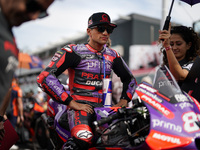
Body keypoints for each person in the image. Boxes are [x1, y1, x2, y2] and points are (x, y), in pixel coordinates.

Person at [37, 12, 137, 150]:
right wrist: (72, 103)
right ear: (89, 31)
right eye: (101, 28)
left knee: (132, 137)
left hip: (105, 109)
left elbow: (130, 79)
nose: (106, 33)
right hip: (80, 109)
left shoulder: (113, 55)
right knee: (83, 139)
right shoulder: (74, 51)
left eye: (109, 29)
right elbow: (45, 77)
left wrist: (124, 101)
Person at [0, 0, 55, 142]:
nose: (34, 17)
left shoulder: (10, 35)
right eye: (32, 6)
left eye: (42, 13)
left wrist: (1, 116)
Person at [159, 23, 200, 88]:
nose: (174, 48)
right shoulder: (163, 68)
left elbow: (179, 76)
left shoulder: (193, 65)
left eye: (178, 44)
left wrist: (167, 47)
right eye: (171, 44)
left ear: (188, 45)